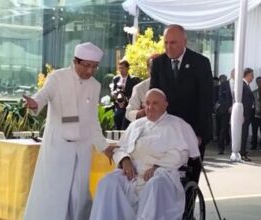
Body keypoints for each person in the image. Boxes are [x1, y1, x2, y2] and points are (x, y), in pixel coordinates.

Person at [23, 42, 115, 220]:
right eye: (87, 66)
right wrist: (35, 103)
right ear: (76, 61)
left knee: (78, 194)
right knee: (53, 192)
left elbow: (92, 121)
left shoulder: (94, 86)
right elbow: (44, 95)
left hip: (82, 148)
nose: (90, 71)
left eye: (94, 67)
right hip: (58, 146)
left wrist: (104, 146)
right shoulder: (58, 77)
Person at [90, 89, 199, 220]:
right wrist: (125, 160)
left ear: (165, 104)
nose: (150, 107)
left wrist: (157, 166)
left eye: (155, 103)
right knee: (108, 182)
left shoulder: (177, 125)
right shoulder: (136, 124)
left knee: (154, 185)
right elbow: (120, 148)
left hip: (162, 173)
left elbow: (180, 155)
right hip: (132, 173)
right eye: (147, 103)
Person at [150, 24, 213, 183]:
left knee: (189, 180)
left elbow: (205, 102)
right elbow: (154, 97)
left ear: (184, 42)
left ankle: (188, 208)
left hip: (192, 131)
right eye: (166, 43)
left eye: (173, 42)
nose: (168, 47)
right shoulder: (159, 64)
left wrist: (197, 134)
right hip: (166, 131)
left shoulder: (200, 63)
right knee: (164, 179)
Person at [125, 53, 160, 122]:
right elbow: (129, 113)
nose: (156, 71)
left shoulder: (174, 85)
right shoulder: (139, 88)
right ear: (148, 69)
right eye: (153, 67)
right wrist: (144, 112)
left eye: (159, 67)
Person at [111, 59, 140, 129]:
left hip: (129, 106)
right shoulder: (116, 79)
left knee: (125, 124)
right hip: (118, 106)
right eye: (120, 68)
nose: (121, 70)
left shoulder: (134, 80)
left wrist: (125, 98)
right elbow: (112, 91)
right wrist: (115, 96)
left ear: (127, 68)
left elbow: (136, 94)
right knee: (117, 119)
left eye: (123, 68)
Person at [241, 67, 254, 161]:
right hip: (245, 115)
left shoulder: (246, 85)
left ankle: (243, 151)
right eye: (252, 75)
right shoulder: (243, 85)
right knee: (243, 134)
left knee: (244, 134)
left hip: (247, 114)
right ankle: (242, 153)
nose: (253, 77)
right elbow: (244, 102)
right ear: (248, 75)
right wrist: (244, 115)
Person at [217, 74, 233, 154]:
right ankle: (221, 148)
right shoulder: (224, 84)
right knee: (223, 129)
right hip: (225, 110)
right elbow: (221, 97)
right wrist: (228, 107)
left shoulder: (240, 84)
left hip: (237, 109)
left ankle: (237, 148)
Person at [251, 76, 261, 150]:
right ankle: (254, 145)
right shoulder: (254, 92)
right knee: (254, 131)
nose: (259, 83)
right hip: (255, 115)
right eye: (258, 82)